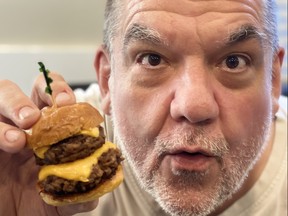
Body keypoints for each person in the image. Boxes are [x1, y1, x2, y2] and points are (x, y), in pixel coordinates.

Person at [0, 0, 287, 215]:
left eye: (234, 61)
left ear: (273, 81)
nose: (193, 107)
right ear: (107, 79)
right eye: (152, 59)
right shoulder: (31, 164)